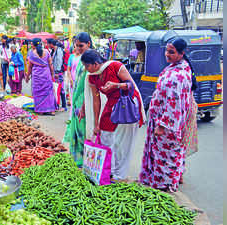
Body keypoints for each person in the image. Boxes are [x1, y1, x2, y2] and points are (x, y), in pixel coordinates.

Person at [139, 38, 196, 192]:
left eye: (171, 52)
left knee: (166, 155)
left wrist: (163, 125)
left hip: (167, 123)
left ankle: (165, 185)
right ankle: (169, 179)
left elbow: (174, 103)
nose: (167, 54)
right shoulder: (175, 68)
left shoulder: (179, 74)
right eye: (166, 51)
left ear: (181, 53)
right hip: (163, 119)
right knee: (169, 153)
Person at [81, 49, 145, 182]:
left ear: (95, 63)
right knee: (105, 135)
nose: (86, 69)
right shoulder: (92, 77)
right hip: (112, 104)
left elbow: (131, 85)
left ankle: (120, 175)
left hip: (126, 103)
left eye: (87, 66)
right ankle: (108, 169)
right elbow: (96, 99)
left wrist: (116, 85)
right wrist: (96, 124)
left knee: (123, 142)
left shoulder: (115, 66)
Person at [62, 32, 92, 167]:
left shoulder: (91, 59)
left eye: (81, 46)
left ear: (89, 44)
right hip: (77, 99)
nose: (79, 48)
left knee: (84, 132)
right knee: (78, 129)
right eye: (76, 46)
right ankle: (78, 160)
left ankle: (85, 161)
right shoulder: (80, 58)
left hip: (86, 100)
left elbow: (91, 86)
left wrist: (85, 106)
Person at [25, 38, 57, 116]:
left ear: (34, 45)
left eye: (31, 44)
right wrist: (52, 74)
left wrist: (27, 76)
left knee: (38, 92)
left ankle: (41, 110)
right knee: (49, 92)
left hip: (37, 76)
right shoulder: (46, 52)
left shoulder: (32, 54)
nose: (31, 45)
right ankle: (51, 110)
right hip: (46, 74)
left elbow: (30, 67)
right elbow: (50, 64)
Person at [48, 39, 67, 112]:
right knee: (57, 88)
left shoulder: (59, 50)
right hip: (56, 72)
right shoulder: (54, 50)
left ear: (51, 44)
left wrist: (57, 72)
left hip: (58, 73)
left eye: (48, 44)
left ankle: (64, 106)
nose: (48, 45)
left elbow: (59, 62)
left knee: (61, 88)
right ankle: (58, 104)